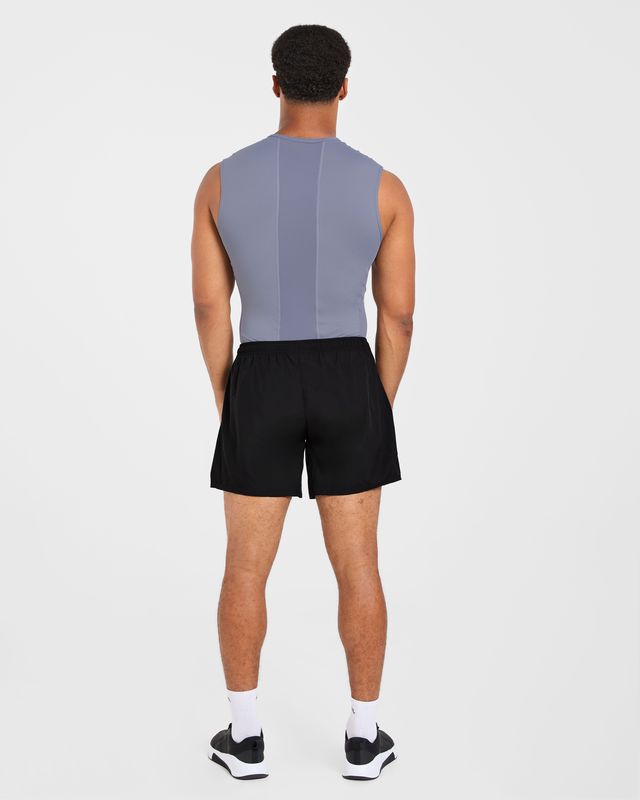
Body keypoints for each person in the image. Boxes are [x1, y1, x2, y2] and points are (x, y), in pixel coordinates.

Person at [191, 24, 415, 781]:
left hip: (261, 373)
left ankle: (245, 737)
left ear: (275, 84)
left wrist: (231, 393)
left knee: (244, 567)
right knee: (360, 565)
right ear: (345, 87)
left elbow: (210, 308)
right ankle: (364, 739)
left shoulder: (221, 182)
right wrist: (373, 402)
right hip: (349, 374)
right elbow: (398, 316)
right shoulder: (385, 188)